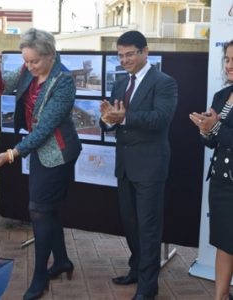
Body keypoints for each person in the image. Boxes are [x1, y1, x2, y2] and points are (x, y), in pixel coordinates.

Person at [0, 28, 81, 300]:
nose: (29, 66)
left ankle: (40, 277)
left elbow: (44, 131)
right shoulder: (29, 69)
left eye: (34, 61)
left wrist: (12, 154)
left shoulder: (63, 81)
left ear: (50, 55)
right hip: (40, 151)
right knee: (46, 209)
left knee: (39, 210)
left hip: (58, 153)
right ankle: (62, 261)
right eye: (26, 61)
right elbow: (0, 86)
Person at [100, 31, 178, 300]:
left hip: (150, 167)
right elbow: (109, 119)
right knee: (130, 224)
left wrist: (123, 118)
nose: (125, 60)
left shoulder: (164, 82)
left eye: (130, 54)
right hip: (124, 167)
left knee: (148, 228)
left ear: (145, 52)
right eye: (120, 55)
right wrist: (109, 119)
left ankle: (148, 286)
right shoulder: (120, 83)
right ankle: (136, 269)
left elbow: (160, 119)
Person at [189, 40, 233, 300]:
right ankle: (220, 296)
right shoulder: (221, 95)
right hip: (221, 182)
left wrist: (214, 127)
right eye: (227, 59)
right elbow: (212, 143)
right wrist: (205, 129)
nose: (229, 65)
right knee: (224, 243)